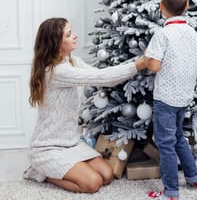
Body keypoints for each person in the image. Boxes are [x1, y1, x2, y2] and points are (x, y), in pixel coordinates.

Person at [24, 17, 145, 193]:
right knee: (93, 183)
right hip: (48, 148)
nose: (75, 36)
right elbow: (105, 79)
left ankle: (66, 168)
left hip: (72, 143)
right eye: (69, 34)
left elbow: (101, 74)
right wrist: (139, 64)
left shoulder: (72, 62)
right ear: (57, 43)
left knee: (107, 174)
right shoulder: (57, 71)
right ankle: (41, 172)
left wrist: (137, 61)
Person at [144, 0, 197, 200]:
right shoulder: (192, 33)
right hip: (184, 97)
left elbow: (153, 66)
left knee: (166, 144)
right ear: (187, 5)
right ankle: (193, 176)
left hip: (165, 99)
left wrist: (146, 57)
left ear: (161, 6)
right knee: (179, 136)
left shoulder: (163, 34)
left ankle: (170, 191)